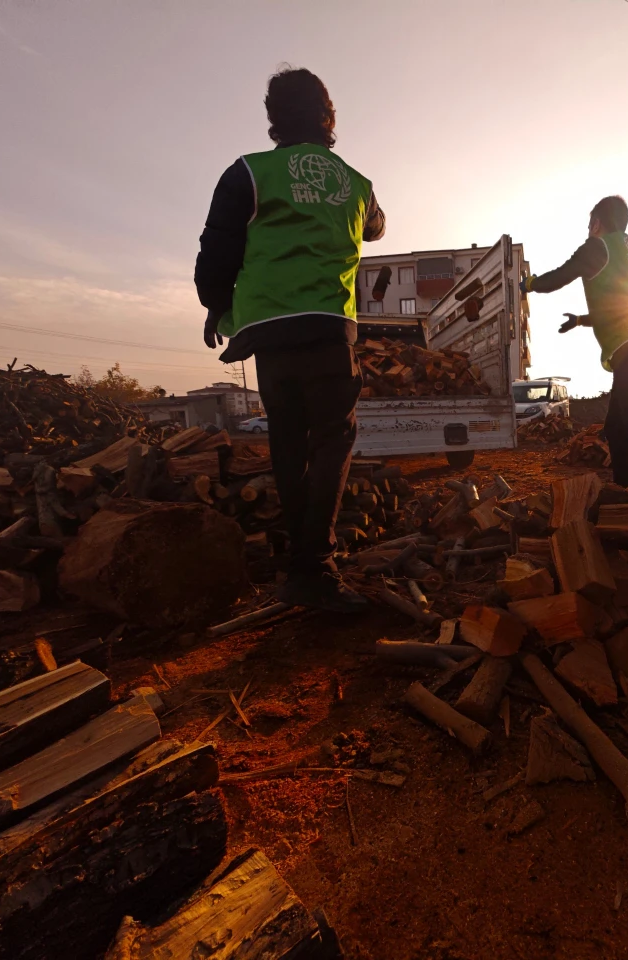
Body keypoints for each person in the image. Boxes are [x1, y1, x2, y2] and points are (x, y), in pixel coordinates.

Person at [194, 67, 385, 612]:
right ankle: (313, 567)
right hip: (327, 328)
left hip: (270, 334)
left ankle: (301, 564)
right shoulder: (357, 185)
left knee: (289, 442)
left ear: (273, 118)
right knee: (332, 441)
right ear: (328, 117)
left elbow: (217, 250)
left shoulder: (248, 173)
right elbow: (376, 228)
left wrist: (216, 307)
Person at [519, 196, 628, 504]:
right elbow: (619, 308)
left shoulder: (596, 247)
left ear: (597, 223)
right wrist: (580, 320)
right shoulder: (624, 252)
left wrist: (529, 284)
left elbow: (559, 276)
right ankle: (625, 491)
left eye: (589, 224)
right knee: (616, 427)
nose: (588, 230)